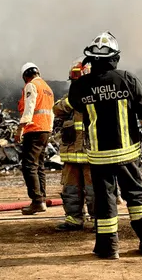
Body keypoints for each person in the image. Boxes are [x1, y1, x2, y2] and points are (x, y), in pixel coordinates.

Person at [65, 31, 142, 259]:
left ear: (91, 58)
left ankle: (109, 248)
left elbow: (74, 104)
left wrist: (82, 73)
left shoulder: (81, 86)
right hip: (127, 152)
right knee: (136, 194)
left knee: (105, 199)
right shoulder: (128, 79)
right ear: (115, 57)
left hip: (99, 156)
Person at [53, 58, 95, 230]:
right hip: (71, 154)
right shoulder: (70, 99)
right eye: (74, 82)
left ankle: (99, 220)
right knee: (70, 188)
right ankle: (74, 219)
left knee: (95, 190)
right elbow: (56, 109)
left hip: (91, 154)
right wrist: (72, 100)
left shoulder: (98, 97)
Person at [16, 62, 55, 215]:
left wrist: (20, 128)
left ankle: (37, 201)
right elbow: (50, 112)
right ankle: (42, 199)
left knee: (29, 166)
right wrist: (49, 129)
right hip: (45, 130)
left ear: (26, 75)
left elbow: (29, 107)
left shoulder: (32, 85)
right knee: (39, 166)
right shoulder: (48, 89)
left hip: (33, 129)